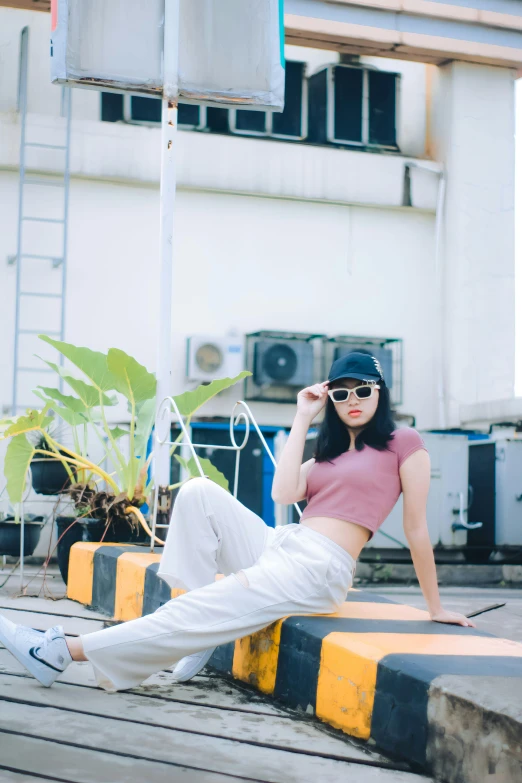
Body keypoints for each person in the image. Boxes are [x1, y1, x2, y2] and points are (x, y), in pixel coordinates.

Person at [0, 351, 475, 691]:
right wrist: (302, 417)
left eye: (363, 390)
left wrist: (434, 606)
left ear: (380, 392)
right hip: (283, 544)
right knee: (200, 491)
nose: (353, 399)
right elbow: (283, 493)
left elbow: (416, 528)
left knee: (197, 611)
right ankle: (197, 612)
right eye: (342, 392)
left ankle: (60, 651)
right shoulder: (330, 451)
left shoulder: (403, 442)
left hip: (320, 568)